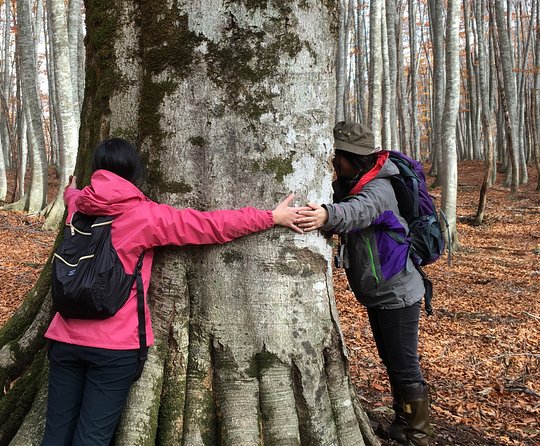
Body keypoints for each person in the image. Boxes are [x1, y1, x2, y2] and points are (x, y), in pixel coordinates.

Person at [41, 137, 309, 445]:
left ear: (97, 169)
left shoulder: (78, 208)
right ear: (133, 172)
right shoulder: (145, 216)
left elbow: (71, 196)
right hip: (114, 348)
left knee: (56, 433)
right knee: (92, 437)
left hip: (63, 338)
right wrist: (271, 217)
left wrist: (70, 188)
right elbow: (209, 225)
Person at [296, 122, 431, 446]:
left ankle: (418, 434)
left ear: (351, 158)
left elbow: (360, 211)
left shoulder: (378, 189)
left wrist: (326, 216)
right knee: (391, 359)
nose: (333, 164)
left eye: (336, 158)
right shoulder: (355, 183)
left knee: (404, 365)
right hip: (380, 292)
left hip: (398, 292)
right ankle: (402, 423)